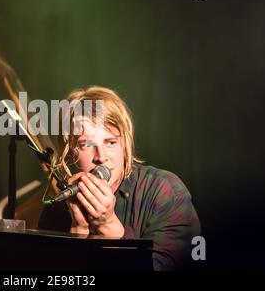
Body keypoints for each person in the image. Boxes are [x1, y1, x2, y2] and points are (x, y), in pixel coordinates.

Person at [38, 86, 201, 270]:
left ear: (125, 144)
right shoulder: (59, 206)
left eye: (111, 142)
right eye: (86, 144)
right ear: (69, 152)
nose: (101, 156)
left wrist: (108, 227)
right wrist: (79, 232)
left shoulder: (164, 191)